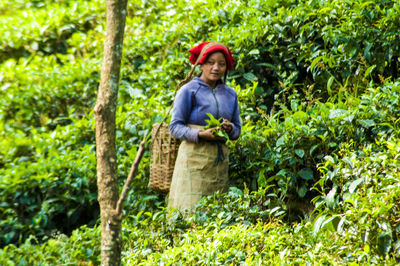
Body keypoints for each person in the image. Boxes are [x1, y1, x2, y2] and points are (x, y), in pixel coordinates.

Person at [168, 41, 241, 211]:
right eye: (211, 63)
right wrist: (200, 134)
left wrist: (230, 129)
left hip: (219, 164)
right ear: (201, 64)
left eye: (221, 64)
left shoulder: (230, 94)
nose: (216, 68)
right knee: (189, 211)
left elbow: (237, 129)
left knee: (216, 213)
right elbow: (175, 127)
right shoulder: (188, 91)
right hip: (192, 161)